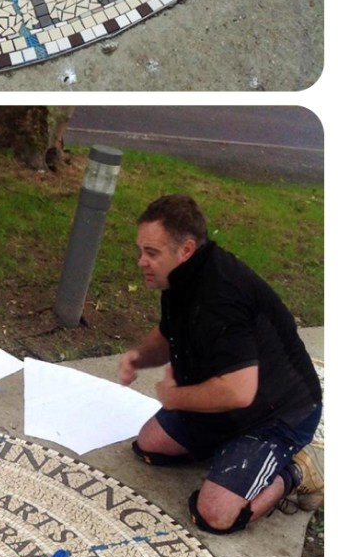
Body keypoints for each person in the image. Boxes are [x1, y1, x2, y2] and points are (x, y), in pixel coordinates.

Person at [119, 194, 322, 533]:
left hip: (278, 413)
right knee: (149, 446)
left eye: (151, 253)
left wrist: (175, 397)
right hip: (229, 403)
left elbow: (238, 392)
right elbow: (169, 333)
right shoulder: (182, 277)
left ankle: (296, 472)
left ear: (185, 249)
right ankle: (234, 455)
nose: (142, 261)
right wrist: (138, 357)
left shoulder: (221, 298)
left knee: (215, 515)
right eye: (141, 250)